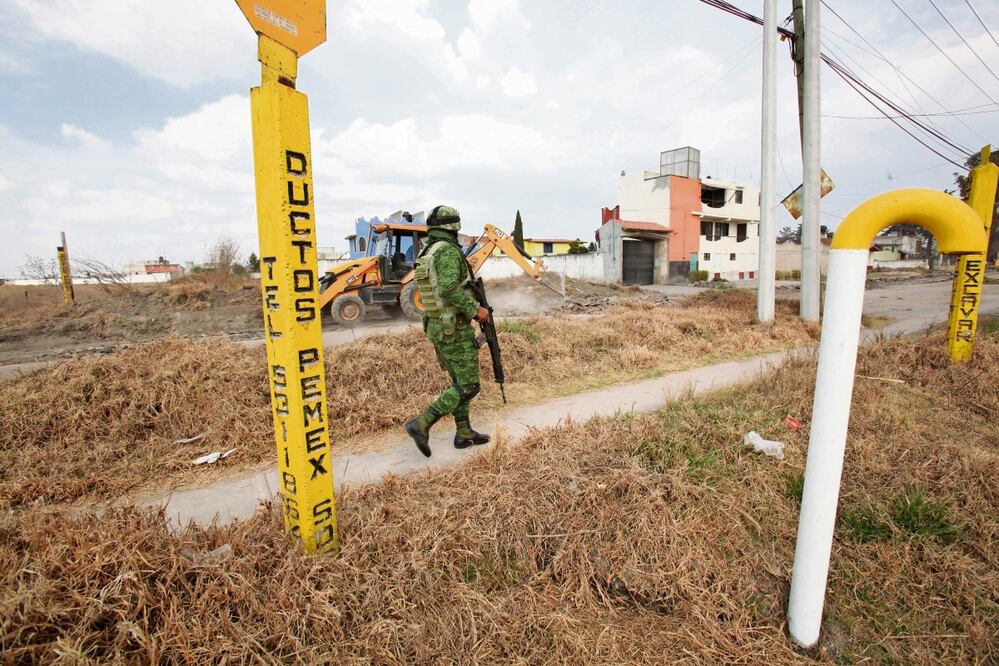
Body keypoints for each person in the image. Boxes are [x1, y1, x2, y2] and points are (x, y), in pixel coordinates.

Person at [404, 205, 491, 457]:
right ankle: (421, 423)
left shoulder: (428, 250)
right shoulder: (449, 251)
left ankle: (463, 433)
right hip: (453, 327)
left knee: (459, 382)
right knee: (469, 386)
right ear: (454, 227)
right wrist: (476, 310)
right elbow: (449, 288)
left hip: (437, 326)